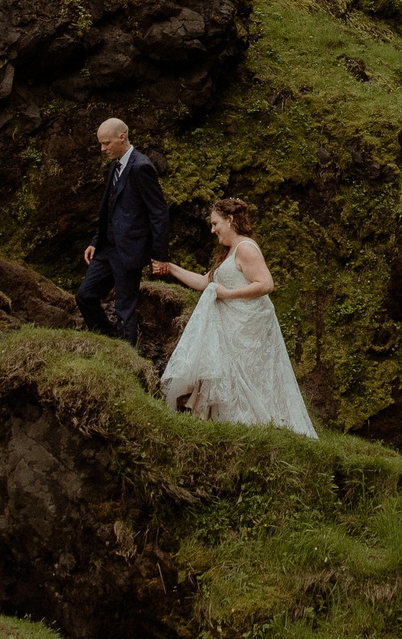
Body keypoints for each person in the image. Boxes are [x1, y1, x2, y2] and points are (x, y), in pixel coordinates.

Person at [152, 199, 317, 437]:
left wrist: (228, 294)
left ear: (230, 221)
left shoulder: (246, 248)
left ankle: (250, 431)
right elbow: (203, 281)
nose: (212, 230)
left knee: (246, 380)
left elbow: (266, 284)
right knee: (231, 378)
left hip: (246, 330)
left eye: (215, 223)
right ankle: (229, 430)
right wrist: (170, 268)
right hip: (231, 330)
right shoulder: (230, 253)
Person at [76, 117, 169, 347]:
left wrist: (159, 256)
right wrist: (96, 241)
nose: (102, 149)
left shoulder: (141, 167)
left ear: (122, 137)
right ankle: (109, 341)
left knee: (124, 309)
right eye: (100, 144)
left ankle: (128, 358)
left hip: (130, 251)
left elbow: (158, 213)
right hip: (107, 249)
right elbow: (109, 209)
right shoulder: (115, 164)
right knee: (85, 296)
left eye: (106, 143)